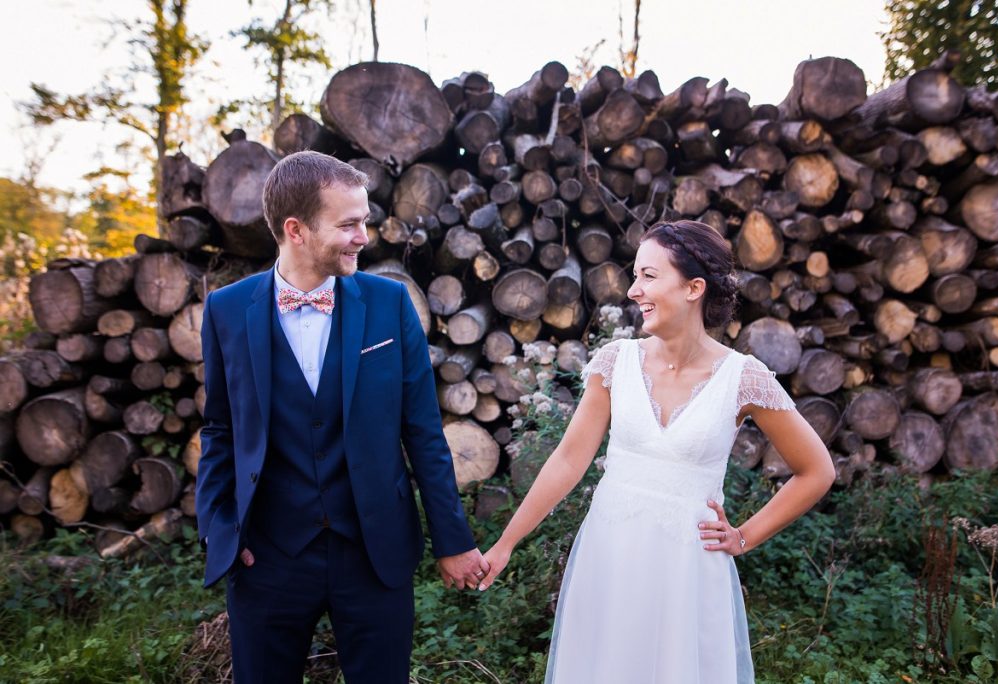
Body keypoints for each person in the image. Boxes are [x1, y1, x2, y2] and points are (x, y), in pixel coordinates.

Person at [478, 220, 836, 683]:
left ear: (694, 287)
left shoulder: (743, 377)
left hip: (688, 572)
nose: (632, 290)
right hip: (610, 558)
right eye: (634, 276)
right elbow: (569, 460)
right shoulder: (616, 362)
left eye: (648, 275)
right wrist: (507, 542)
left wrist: (744, 536)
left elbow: (816, 471)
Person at [196, 150, 489, 684]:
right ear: (296, 229)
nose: (364, 236)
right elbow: (219, 428)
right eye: (349, 223)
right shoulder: (225, 311)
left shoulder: (389, 303)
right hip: (267, 556)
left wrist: (453, 540)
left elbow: (422, 431)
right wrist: (220, 530)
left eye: (365, 221)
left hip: (374, 552)